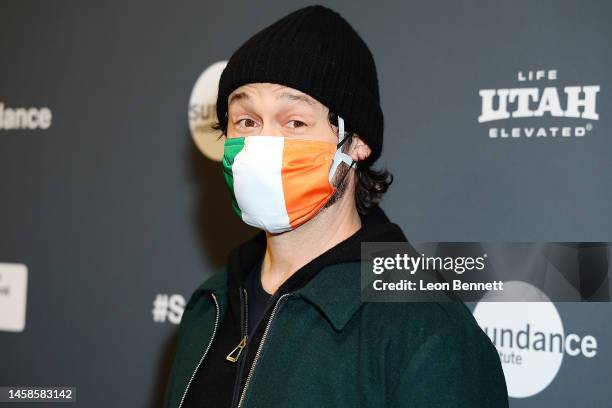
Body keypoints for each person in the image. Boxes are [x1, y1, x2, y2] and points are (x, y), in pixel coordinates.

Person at [163, 4, 508, 407]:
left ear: (357, 142)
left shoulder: (427, 329)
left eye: (295, 123)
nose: (262, 144)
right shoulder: (211, 304)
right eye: (246, 122)